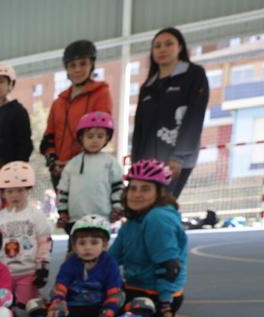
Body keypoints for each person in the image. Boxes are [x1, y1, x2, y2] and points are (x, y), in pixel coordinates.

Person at [108, 159, 192, 317]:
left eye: (145, 189)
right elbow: (112, 258)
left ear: (159, 193)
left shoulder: (157, 218)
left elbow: (168, 267)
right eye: (133, 188)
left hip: (157, 295)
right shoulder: (133, 220)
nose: (137, 194)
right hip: (135, 287)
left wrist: (165, 307)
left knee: (101, 309)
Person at [131, 27, 209, 197]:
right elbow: (140, 128)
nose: (162, 49)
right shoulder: (148, 86)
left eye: (168, 44)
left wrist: (178, 156)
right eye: (157, 46)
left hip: (176, 160)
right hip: (147, 162)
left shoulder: (194, 74)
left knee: (163, 206)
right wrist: (136, 163)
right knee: (145, 208)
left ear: (180, 47)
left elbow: (194, 117)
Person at [35, 216, 128, 317]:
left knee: (133, 300)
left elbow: (114, 291)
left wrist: (108, 312)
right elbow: (60, 287)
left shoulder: (110, 263)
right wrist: (58, 304)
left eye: (94, 242)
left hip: (100, 309)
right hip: (74, 308)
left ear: (104, 245)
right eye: (82, 243)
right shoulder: (70, 263)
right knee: (35, 304)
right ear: (74, 246)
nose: (88, 247)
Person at [41, 40, 113, 189]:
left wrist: (75, 162)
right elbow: (49, 136)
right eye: (72, 65)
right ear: (66, 69)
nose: (77, 69)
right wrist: (52, 159)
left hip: (87, 168)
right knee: (64, 211)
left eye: (83, 63)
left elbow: (101, 133)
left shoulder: (101, 94)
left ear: (91, 65)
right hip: (60, 170)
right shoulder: (58, 102)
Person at [0, 161, 52, 315]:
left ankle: (38, 301)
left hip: (28, 272)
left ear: (27, 190)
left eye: (20, 190)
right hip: (4, 274)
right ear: (3, 193)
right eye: (10, 191)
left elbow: (44, 243)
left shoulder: (36, 216)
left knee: (24, 311)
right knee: (2, 310)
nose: (15, 195)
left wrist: (42, 268)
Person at [56, 112, 124, 231]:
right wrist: (62, 211)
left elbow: (118, 187)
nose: (95, 140)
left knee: (99, 247)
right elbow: (62, 190)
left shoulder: (111, 162)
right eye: (90, 136)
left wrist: (117, 208)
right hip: (76, 218)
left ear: (107, 138)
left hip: (102, 217)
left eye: (100, 136)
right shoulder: (72, 164)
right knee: (76, 248)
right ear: (81, 137)